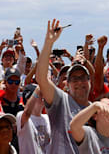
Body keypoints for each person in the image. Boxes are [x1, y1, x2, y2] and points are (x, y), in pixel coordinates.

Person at [35, 20, 93, 154]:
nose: (79, 82)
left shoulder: (95, 111)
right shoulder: (61, 102)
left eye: (83, 78)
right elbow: (41, 78)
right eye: (74, 79)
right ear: (67, 84)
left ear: (89, 81)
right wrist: (49, 43)